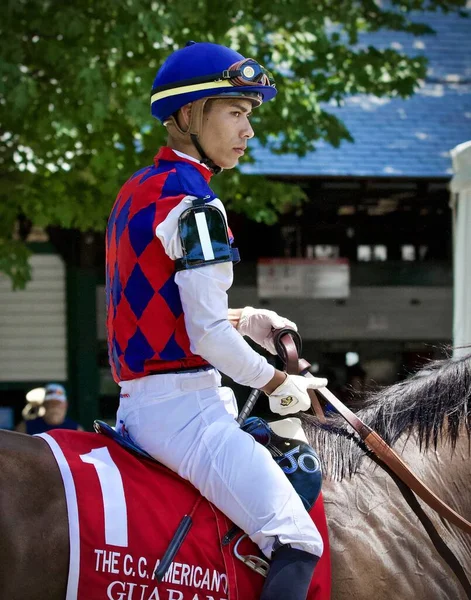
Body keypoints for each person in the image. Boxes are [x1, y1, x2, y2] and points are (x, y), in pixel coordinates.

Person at [106, 41, 328, 600]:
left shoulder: (140, 189)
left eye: (248, 115)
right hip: (187, 414)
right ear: (187, 116)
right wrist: (282, 383)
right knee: (298, 538)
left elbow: (163, 307)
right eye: (235, 112)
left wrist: (246, 317)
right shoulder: (199, 206)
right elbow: (204, 336)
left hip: (142, 405)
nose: (247, 130)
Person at [16, 383, 83, 435]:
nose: (54, 407)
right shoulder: (25, 427)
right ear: (44, 405)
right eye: (50, 403)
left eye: (58, 403)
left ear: (65, 405)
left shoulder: (77, 430)